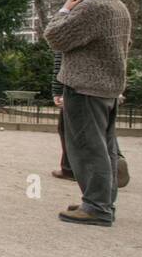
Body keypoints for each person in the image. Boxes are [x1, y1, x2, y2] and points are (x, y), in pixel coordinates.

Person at [43, 0, 132, 227]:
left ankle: (96, 206)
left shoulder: (92, 9)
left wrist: (63, 11)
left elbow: (55, 37)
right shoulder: (118, 7)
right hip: (107, 86)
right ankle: (101, 201)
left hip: (85, 86)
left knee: (86, 147)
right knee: (104, 148)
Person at [51, 50, 129, 187]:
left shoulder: (73, 30)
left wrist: (57, 90)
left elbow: (61, 59)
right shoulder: (113, 29)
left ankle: (70, 169)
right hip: (107, 84)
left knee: (68, 129)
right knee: (103, 129)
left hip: (79, 84)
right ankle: (115, 158)